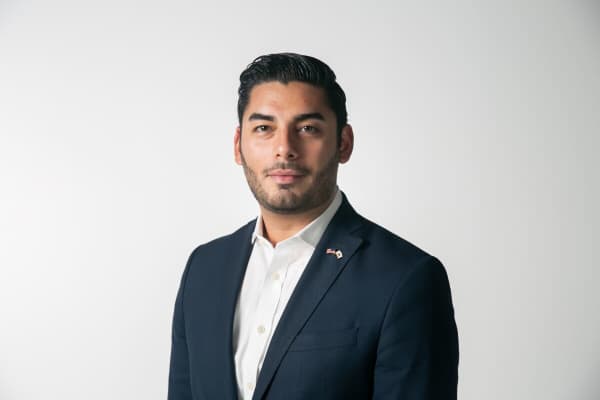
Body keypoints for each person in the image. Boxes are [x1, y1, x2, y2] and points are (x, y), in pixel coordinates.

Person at [168, 53, 459, 400]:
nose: (284, 149)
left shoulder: (405, 278)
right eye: (264, 128)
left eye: (307, 128)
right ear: (238, 146)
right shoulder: (204, 269)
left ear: (343, 143)